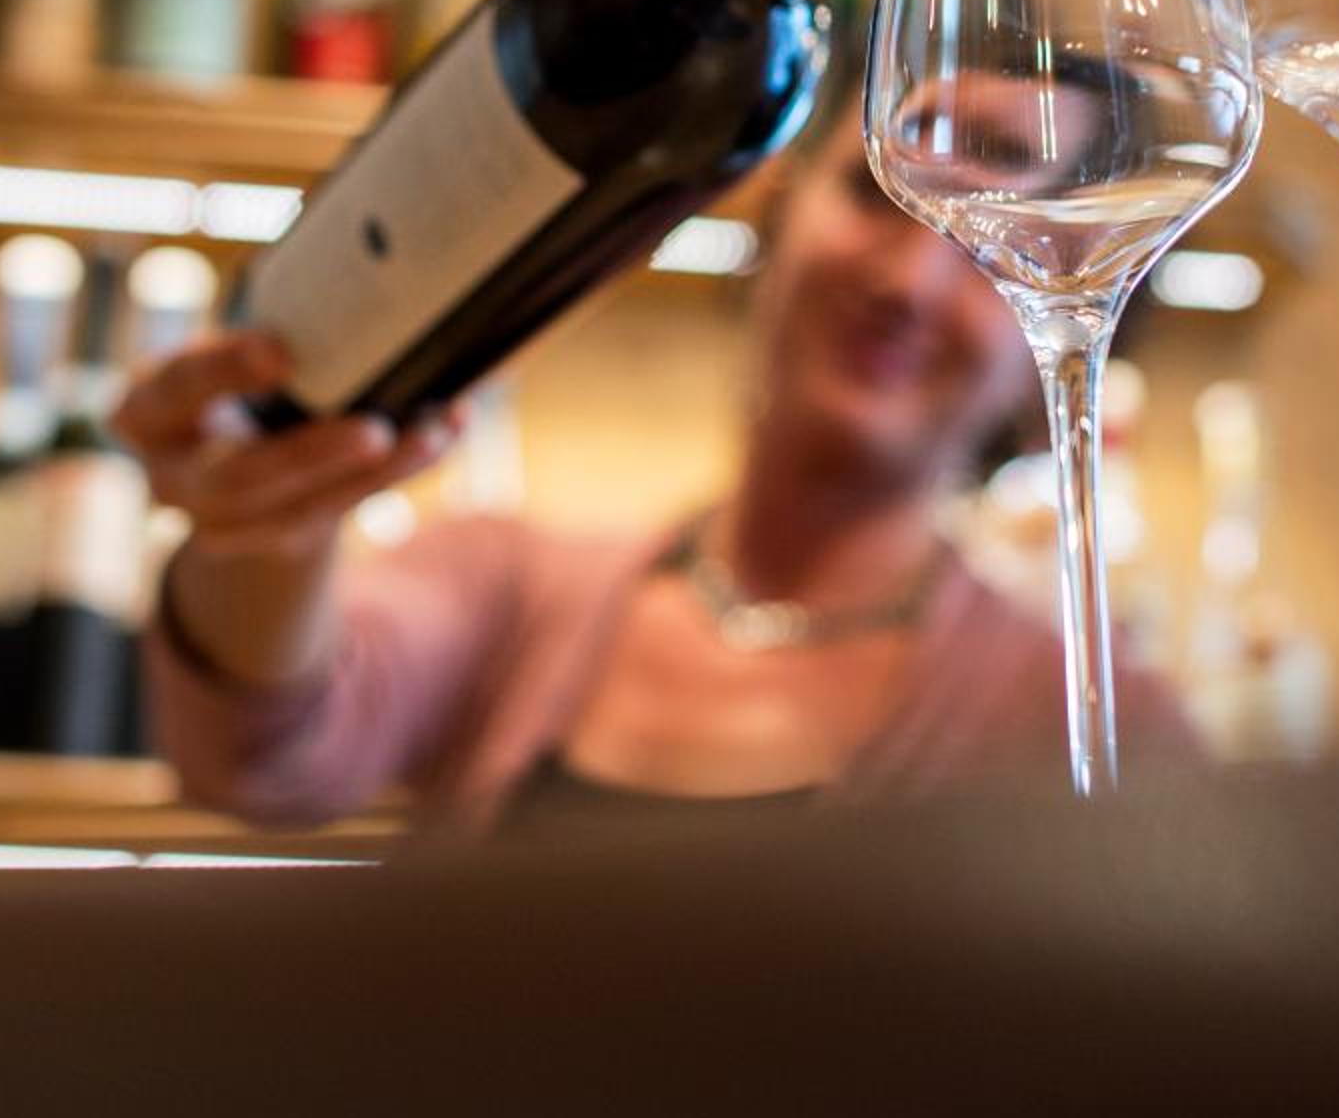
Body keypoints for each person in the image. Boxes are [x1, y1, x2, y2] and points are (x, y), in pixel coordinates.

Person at [119, 128, 1190, 834]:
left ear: (1077, 328)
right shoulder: (509, 584)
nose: (907, 279)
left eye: (999, 245)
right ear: (775, 217)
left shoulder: (1105, 728)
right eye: (878, 191)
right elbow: (259, 757)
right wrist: (266, 525)